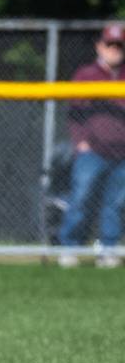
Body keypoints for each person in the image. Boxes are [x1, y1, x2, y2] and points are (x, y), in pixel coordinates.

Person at [57, 22, 125, 268]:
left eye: (119, 45)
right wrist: (81, 143)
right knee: (81, 198)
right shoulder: (86, 75)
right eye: (110, 44)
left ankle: (108, 251)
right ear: (99, 46)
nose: (114, 50)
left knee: (115, 204)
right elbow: (74, 113)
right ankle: (69, 248)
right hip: (92, 151)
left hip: (122, 153)